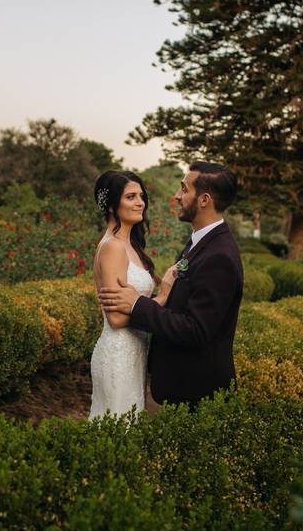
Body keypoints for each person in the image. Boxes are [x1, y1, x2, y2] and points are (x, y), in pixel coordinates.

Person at [98, 162, 243, 410]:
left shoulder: (219, 256)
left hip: (199, 390)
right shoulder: (199, 243)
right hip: (174, 382)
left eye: (184, 189)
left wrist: (137, 304)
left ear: (204, 199)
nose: (177, 196)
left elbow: (196, 329)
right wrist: (159, 297)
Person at [89, 170, 176, 418]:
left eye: (141, 195)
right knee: (117, 432)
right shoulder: (113, 247)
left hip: (135, 351)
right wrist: (162, 296)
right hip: (118, 355)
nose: (141, 202)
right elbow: (116, 319)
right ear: (111, 206)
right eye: (130, 196)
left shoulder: (130, 245)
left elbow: (134, 305)